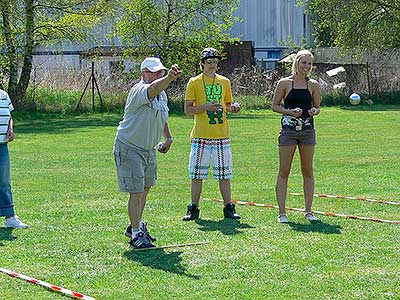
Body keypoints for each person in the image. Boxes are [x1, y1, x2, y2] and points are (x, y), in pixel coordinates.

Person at [113, 57, 181, 249]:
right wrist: (169, 77)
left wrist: (167, 138)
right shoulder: (139, 90)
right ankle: (136, 234)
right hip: (130, 146)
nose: (159, 74)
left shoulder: (162, 95)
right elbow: (153, 90)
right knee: (136, 192)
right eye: (155, 72)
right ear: (144, 74)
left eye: (161, 71)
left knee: (145, 188)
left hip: (148, 148)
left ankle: (135, 225)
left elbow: (162, 116)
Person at [182, 47, 241, 221]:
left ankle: (228, 207)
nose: (212, 65)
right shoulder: (194, 82)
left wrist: (234, 108)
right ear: (202, 64)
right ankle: (193, 208)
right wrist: (205, 107)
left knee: (224, 174)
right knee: (197, 174)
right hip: (201, 136)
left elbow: (227, 105)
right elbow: (187, 110)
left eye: (215, 62)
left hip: (221, 135)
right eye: (209, 62)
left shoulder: (224, 82)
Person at [271, 49, 321, 223]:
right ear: (297, 63)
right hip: (288, 132)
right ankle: (282, 213)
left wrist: (314, 111)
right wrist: (289, 112)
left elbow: (317, 107)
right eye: (303, 62)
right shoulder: (284, 83)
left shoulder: (313, 85)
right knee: (284, 171)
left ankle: (308, 211)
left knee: (307, 170)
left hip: (307, 132)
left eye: (309, 63)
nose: (306, 66)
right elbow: (275, 106)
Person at [0, 89, 28, 229]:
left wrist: (10, 129)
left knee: (4, 182)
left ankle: (10, 217)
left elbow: (9, 116)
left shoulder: (4, 95)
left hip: (2, 145)